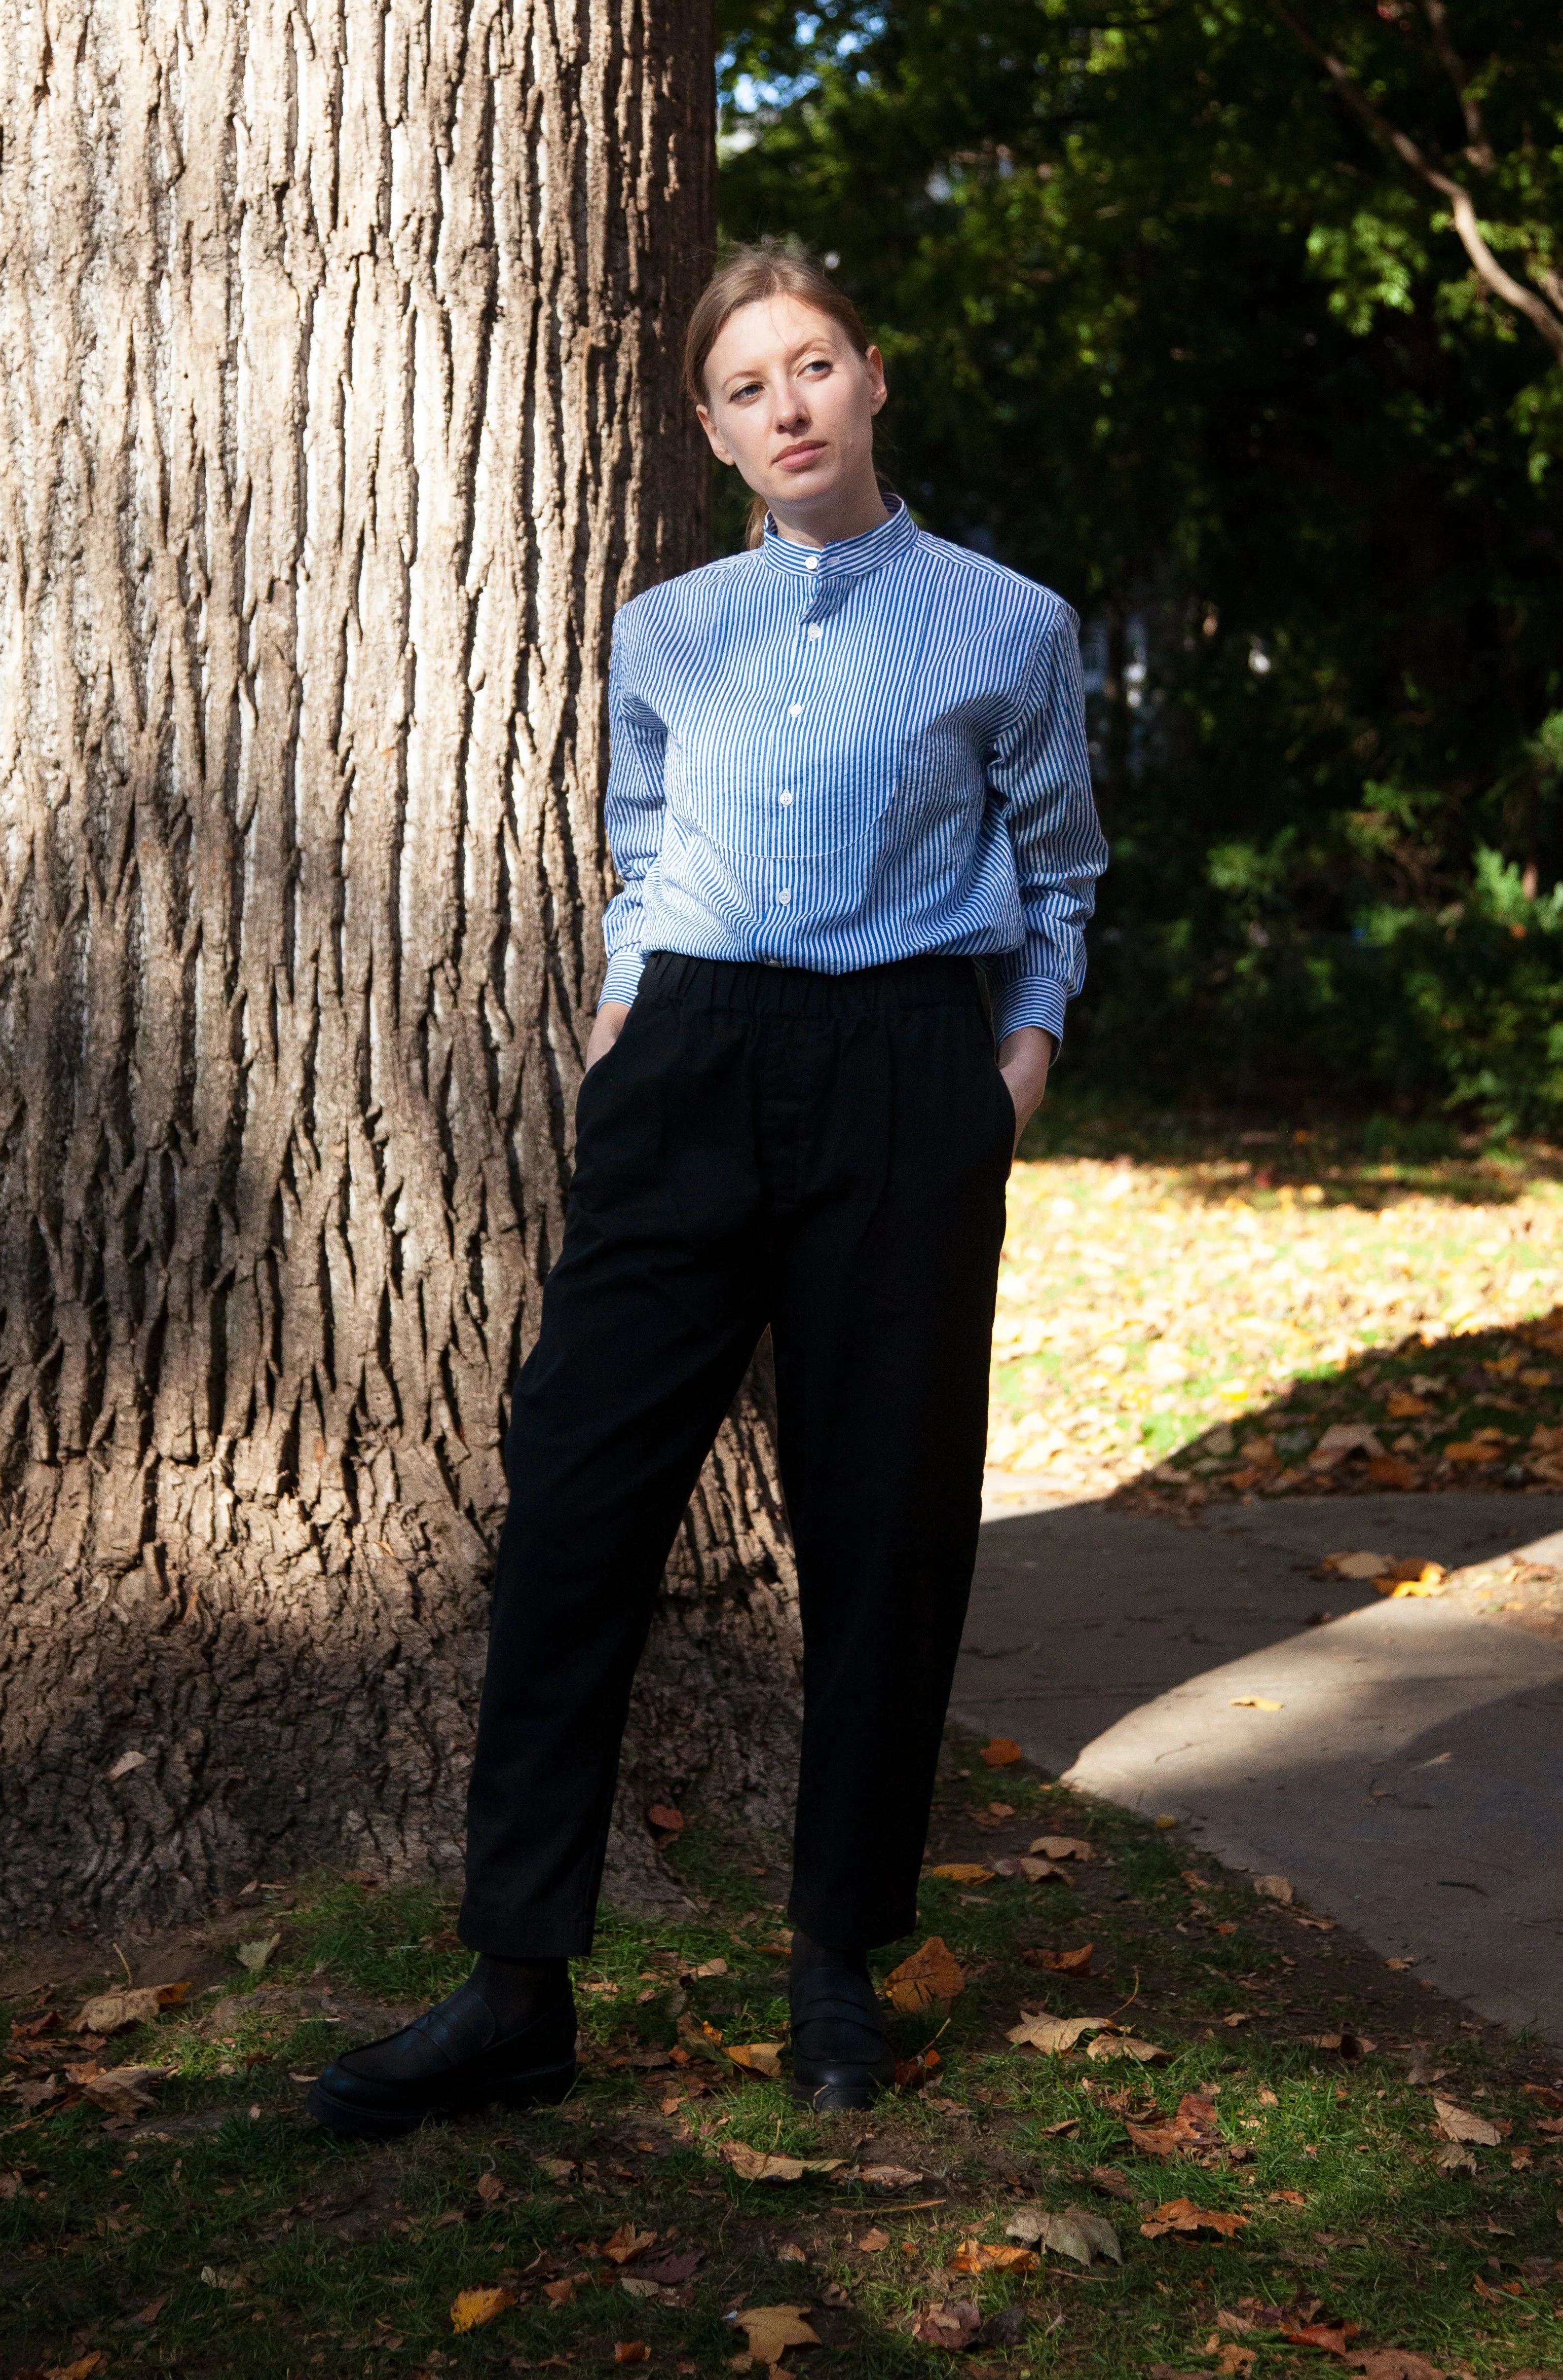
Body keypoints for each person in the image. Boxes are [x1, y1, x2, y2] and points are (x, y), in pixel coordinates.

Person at [309, 241, 1107, 2140]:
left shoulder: (1011, 621)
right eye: (748, 388)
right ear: (711, 428)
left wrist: (1018, 1065)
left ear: (871, 376)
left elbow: (1060, 875)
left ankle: (842, 1971)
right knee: (579, 1500)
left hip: (909, 1082)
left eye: (813, 364)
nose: (788, 406)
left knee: (885, 1528)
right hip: (686, 1076)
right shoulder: (667, 629)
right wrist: (618, 1014)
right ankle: (515, 1986)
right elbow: (644, 838)